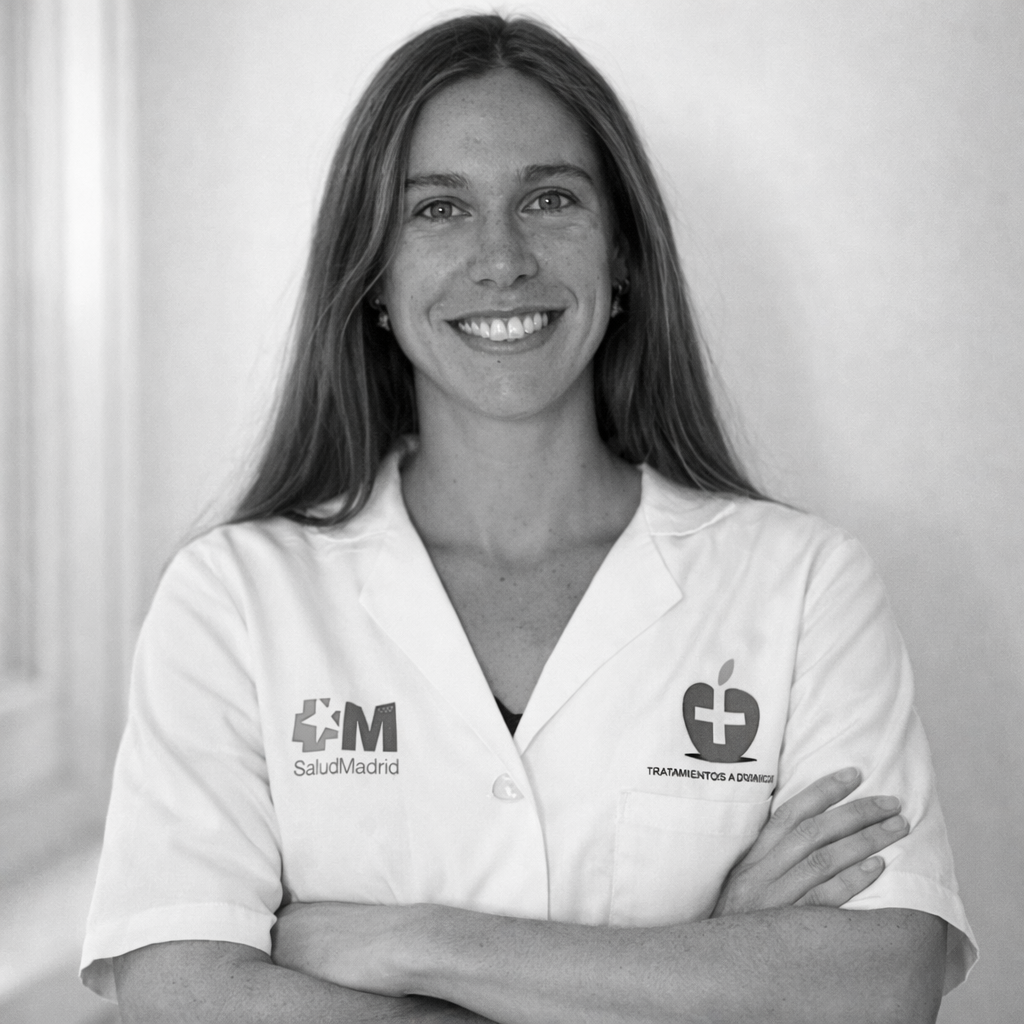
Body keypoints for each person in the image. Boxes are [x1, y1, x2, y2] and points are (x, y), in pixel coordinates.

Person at [81, 14, 976, 1023]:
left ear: (622, 255)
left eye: (550, 199)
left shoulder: (804, 584)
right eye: (438, 209)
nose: (501, 259)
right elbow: (179, 994)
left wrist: (415, 943)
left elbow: (880, 983)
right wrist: (707, 967)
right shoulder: (234, 598)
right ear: (371, 277)